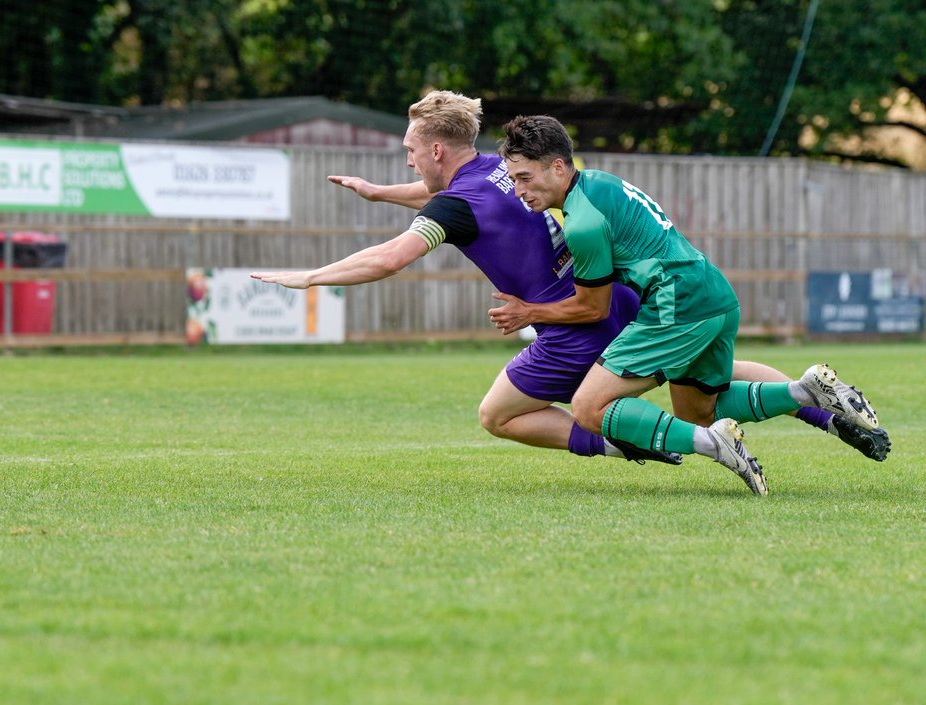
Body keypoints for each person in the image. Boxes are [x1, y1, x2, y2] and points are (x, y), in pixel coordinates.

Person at [252, 91, 890, 475]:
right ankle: (822, 409)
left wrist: (310, 276)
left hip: (573, 323)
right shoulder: (503, 173)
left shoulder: (455, 207)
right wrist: (379, 193)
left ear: (438, 151)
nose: (408, 159)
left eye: (410, 150)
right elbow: (445, 196)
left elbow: (393, 257)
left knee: (497, 415)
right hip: (630, 300)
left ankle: (625, 446)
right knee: (702, 382)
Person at [496, 114, 886, 494]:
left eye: (525, 178)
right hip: (714, 293)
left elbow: (592, 308)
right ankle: (805, 391)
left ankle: (712, 444)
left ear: (559, 167)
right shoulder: (601, 182)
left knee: (588, 408)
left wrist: (528, 312)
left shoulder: (582, 222)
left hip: (675, 304)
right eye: (513, 180)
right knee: (698, 410)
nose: (518, 190)